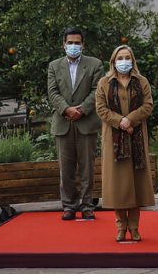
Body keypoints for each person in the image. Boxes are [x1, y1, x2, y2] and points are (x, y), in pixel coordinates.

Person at [95, 45, 155, 241]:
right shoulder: (104, 82)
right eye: (120, 58)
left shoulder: (141, 81)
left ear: (132, 60)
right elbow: (101, 108)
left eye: (127, 57)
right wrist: (120, 121)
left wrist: (130, 119)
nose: (124, 61)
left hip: (136, 139)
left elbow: (148, 105)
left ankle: (134, 227)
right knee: (118, 186)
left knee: (136, 184)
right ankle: (121, 226)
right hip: (114, 141)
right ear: (113, 61)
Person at [47, 27, 103, 221]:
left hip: (86, 122)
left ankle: (87, 206)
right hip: (63, 123)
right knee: (66, 169)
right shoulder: (54, 66)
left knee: (87, 168)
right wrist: (66, 109)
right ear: (63, 45)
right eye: (70, 42)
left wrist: (82, 110)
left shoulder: (95, 64)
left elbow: (97, 90)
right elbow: (53, 92)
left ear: (83, 45)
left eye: (77, 43)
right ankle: (69, 206)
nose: (73, 46)